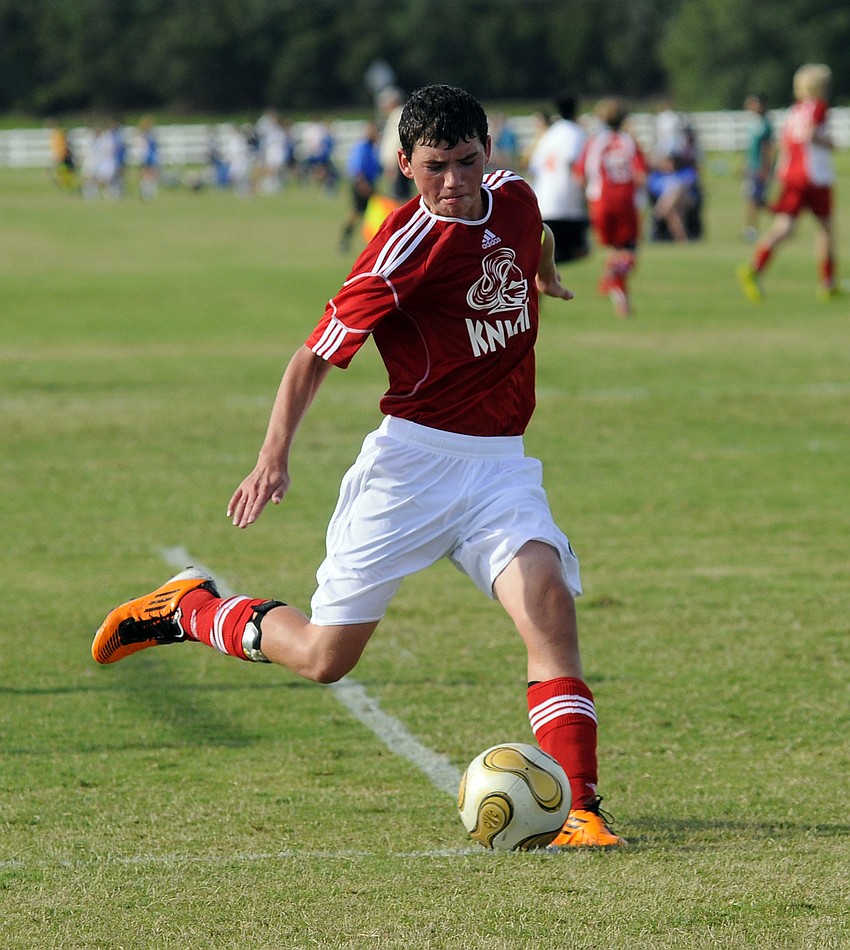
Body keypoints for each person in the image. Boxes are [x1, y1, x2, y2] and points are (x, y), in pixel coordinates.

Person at [91, 84, 625, 849]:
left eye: (467, 162)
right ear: (405, 163)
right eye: (435, 166)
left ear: (488, 154)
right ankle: (187, 609)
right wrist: (272, 458)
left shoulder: (511, 195)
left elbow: (529, 226)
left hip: (500, 468)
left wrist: (539, 272)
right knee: (323, 660)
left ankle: (581, 811)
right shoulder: (401, 251)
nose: (454, 183)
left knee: (548, 604)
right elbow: (312, 358)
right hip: (410, 467)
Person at [737, 64, 838, 302]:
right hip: (814, 176)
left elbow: (787, 143)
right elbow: (812, 134)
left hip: (792, 175)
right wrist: (830, 143)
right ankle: (827, 283)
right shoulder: (818, 108)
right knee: (826, 229)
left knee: (784, 228)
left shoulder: (794, 111)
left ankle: (755, 268)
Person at [574, 98, 648, 317]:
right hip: (626, 201)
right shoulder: (629, 142)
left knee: (613, 252)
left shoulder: (594, 143)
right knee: (628, 253)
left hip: (601, 201)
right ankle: (617, 289)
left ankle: (617, 291)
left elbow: (580, 175)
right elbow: (640, 175)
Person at [527, 92, 590, 263]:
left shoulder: (548, 134)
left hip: (545, 203)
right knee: (577, 252)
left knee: (552, 254)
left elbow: (535, 167)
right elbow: (573, 163)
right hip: (566, 205)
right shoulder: (575, 133)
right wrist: (586, 192)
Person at [339, 120, 383, 252]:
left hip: (369, 183)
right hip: (361, 183)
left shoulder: (372, 147)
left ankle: (374, 242)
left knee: (371, 212)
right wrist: (363, 184)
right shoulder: (362, 147)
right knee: (357, 212)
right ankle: (345, 240)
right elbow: (357, 167)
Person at [741, 94, 775, 242]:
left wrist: (765, 168)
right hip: (752, 165)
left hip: (759, 167)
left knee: (754, 199)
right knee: (754, 199)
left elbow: (768, 148)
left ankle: (751, 229)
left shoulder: (765, 125)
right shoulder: (754, 124)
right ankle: (752, 228)